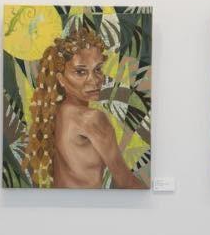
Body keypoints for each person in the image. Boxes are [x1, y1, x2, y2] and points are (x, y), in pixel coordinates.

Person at [23, 27, 147, 189]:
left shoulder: (55, 112)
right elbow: (126, 182)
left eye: (98, 69)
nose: (94, 80)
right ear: (61, 78)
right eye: (80, 72)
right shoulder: (92, 118)